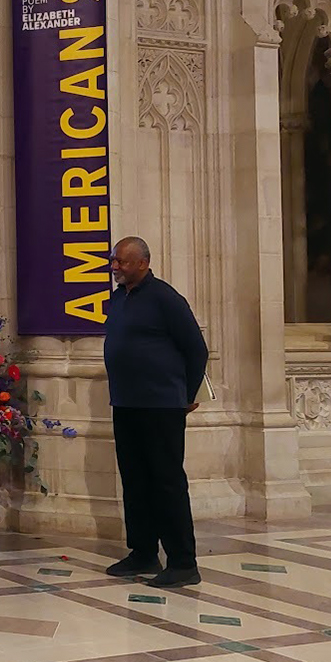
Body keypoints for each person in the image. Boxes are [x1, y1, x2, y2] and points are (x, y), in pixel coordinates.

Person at [102, 236, 209, 588]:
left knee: (166, 482)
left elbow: (196, 349)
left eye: (122, 261)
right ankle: (143, 552)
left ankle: (182, 562)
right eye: (114, 260)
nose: (115, 267)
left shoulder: (165, 298)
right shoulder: (118, 298)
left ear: (144, 263)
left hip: (161, 405)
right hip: (126, 402)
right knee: (134, 480)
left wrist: (185, 394)